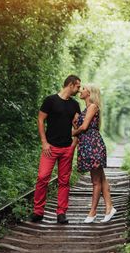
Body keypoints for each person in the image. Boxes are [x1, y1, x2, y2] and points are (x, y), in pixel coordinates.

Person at [31, 75, 81, 224]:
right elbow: (40, 119)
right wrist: (44, 142)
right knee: (42, 177)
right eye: (78, 86)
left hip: (66, 148)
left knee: (64, 181)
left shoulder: (75, 105)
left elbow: (77, 127)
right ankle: (38, 212)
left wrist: (74, 145)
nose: (79, 90)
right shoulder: (50, 100)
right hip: (50, 147)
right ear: (71, 85)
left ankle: (61, 213)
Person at [72, 84, 116, 223]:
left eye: (83, 88)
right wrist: (75, 124)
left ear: (90, 93)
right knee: (101, 179)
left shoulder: (92, 107)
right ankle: (109, 207)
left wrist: (73, 132)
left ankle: (93, 212)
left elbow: (84, 127)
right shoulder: (86, 109)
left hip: (93, 146)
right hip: (88, 145)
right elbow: (81, 125)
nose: (81, 90)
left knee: (96, 181)